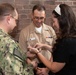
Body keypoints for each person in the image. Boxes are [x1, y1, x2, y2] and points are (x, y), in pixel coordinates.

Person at [28, 4, 76, 75]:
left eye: (54, 21)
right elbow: (61, 52)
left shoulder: (67, 41)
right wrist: (44, 46)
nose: (53, 25)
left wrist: (37, 53)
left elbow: (54, 68)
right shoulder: (70, 36)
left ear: (61, 20)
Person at [19, 4, 56, 75]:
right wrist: (36, 69)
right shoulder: (24, 32)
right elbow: (22, 54)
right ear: (32, 16)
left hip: (49, 67)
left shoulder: (50, 30)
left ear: (45, 17)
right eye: (36, 18)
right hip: (33, 68)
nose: (39, 21)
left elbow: (56, 51)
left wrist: (47, 69)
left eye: (41, 18)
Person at [0, 3, 34, 75]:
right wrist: (31, 66)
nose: (16, 24)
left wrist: (24, 55)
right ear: (9, 19)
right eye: (16, 20)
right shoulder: (8, 43)